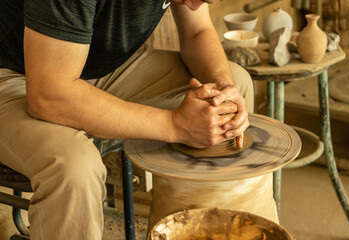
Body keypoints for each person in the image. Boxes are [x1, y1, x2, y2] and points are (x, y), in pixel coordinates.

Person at [0, 0, 277, 239]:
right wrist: (175, 125)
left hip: (83, 70)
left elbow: (197, 32)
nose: (202, 3)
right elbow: (49, 95)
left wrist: (222, 91)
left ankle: (207, 233)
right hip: (16, 78)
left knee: (232, 89)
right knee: (74, 168)